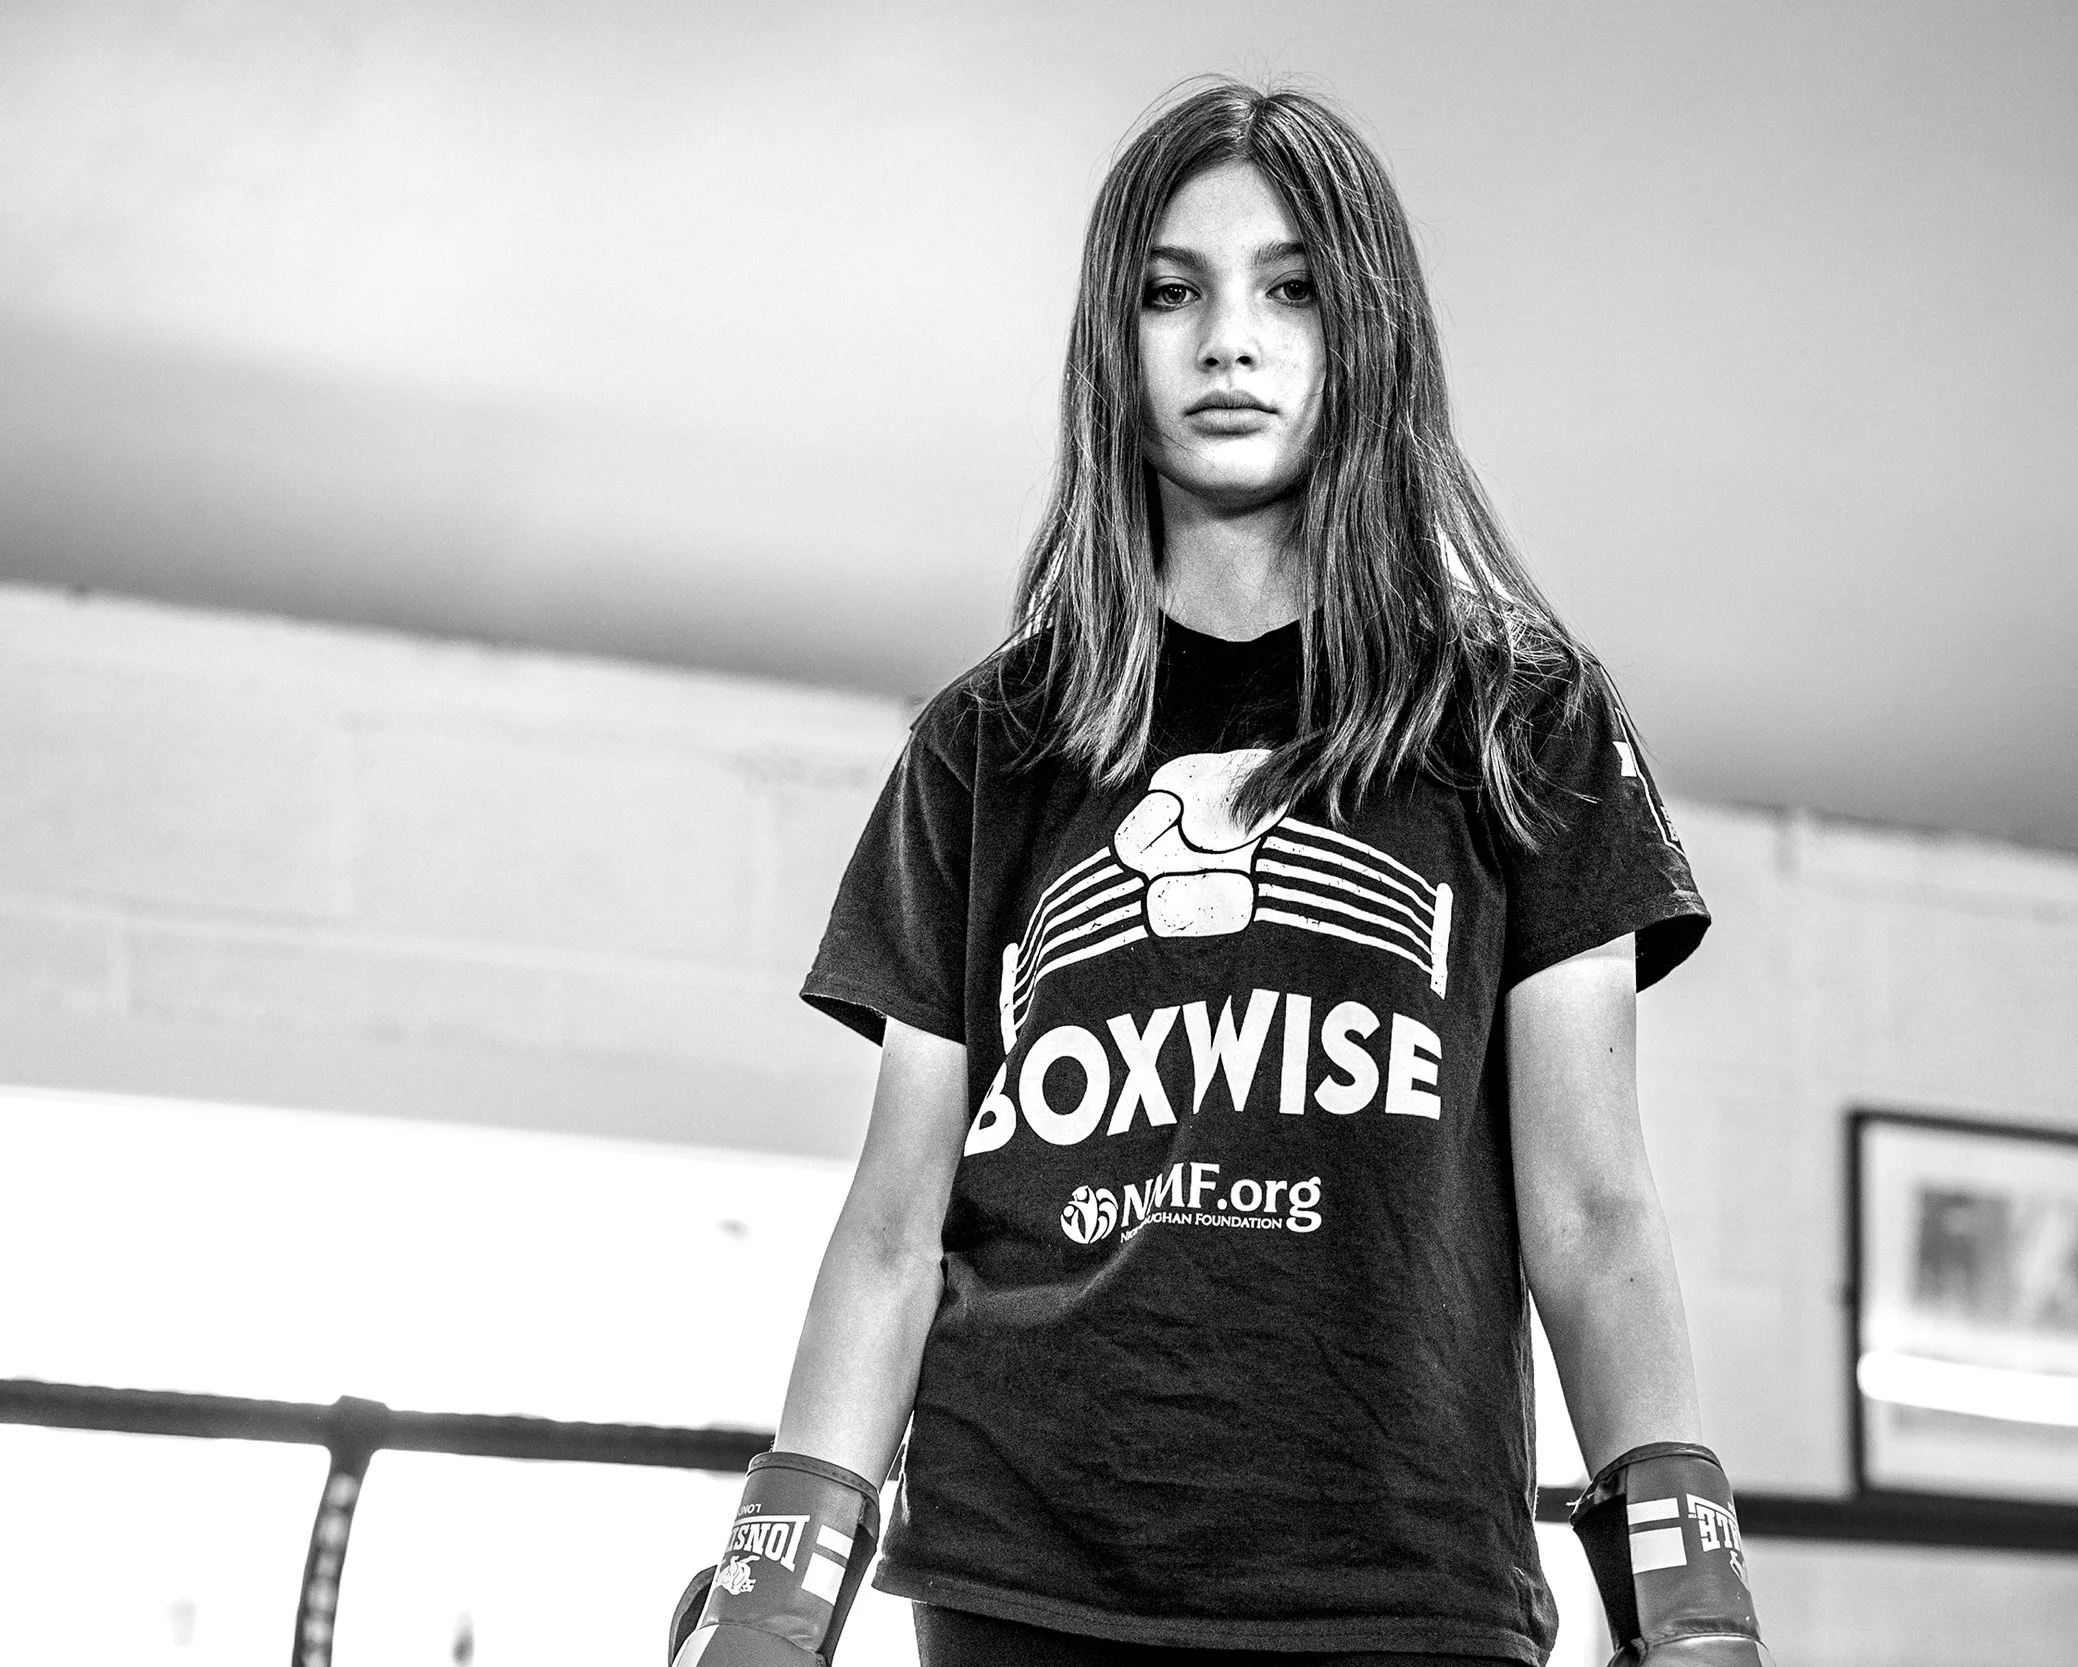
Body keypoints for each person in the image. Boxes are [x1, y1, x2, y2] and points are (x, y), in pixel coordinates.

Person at [669, 79, 1771, 1667]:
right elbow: (895, 1226)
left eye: (1290, 289)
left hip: (1394, 1577)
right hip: (1023, 1561)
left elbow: (1592, 1214)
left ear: (1367, 330)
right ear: (1114, 348)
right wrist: (776, 1596)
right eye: (1172, 291)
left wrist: (1688, 1593)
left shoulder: (1521, 720)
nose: (1227, 340)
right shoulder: (989, 748)